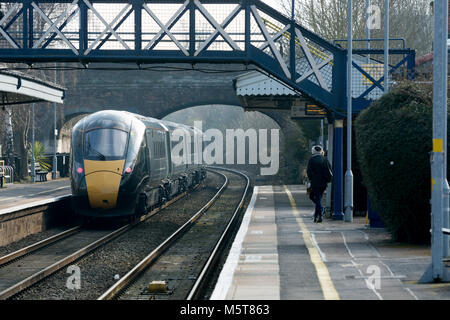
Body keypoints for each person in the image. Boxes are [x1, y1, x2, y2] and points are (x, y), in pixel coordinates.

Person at [307, 145, 332, 223]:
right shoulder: (324, 159)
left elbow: (308, 172)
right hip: (323, 183)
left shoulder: (311, 160)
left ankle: (320, 214)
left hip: (315, 182)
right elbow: (329, 169)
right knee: (319, 198)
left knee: (317, 198)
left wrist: (311, 179)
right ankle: (317, 214)